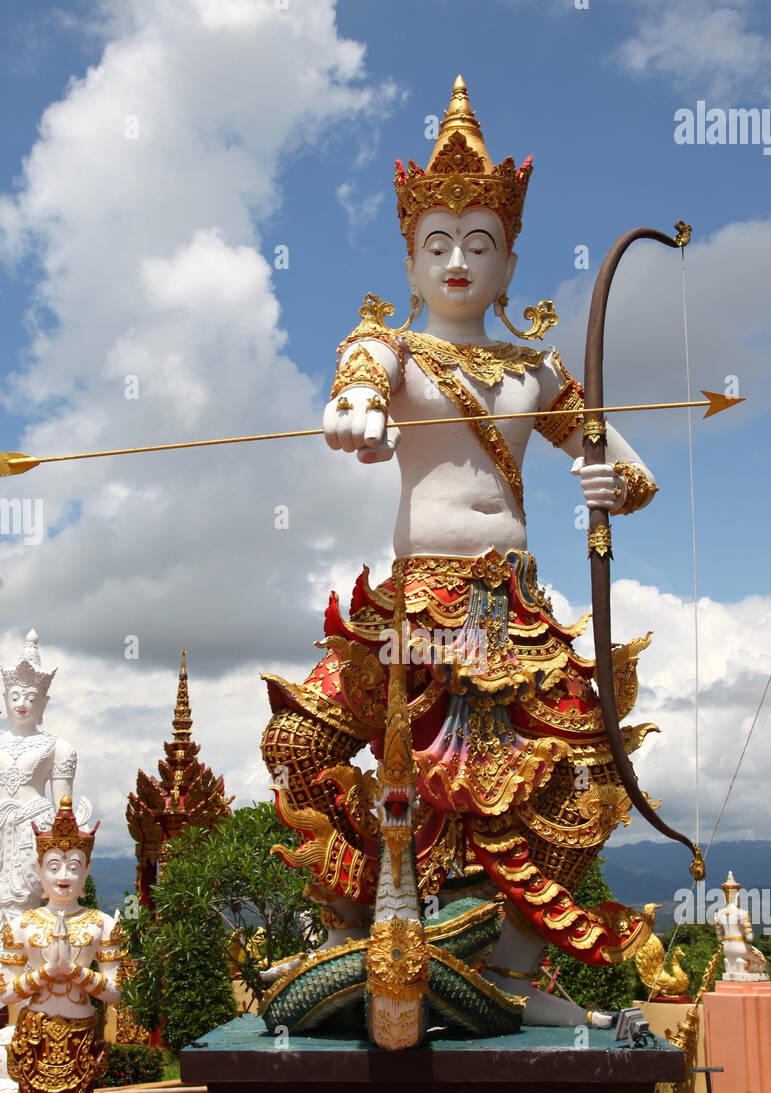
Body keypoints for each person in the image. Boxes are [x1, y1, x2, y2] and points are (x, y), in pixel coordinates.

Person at [262, 78, 658, 1024]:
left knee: (572, 782)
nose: (457, 260)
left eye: (479, 243)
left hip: (507, 615)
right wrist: (354, 413)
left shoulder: (534, 370)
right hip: (411, 613)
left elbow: (626, 466)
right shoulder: (392, 350)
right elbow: (356, 387)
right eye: (437, 242)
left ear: (510, 260)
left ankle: (511, 974)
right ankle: (367, 927)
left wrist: (615, 485)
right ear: (408, 258)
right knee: (299, 743)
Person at [0, 797, 122, 1093]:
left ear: (89, 866)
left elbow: (115, 990)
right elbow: (3, 991)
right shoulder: (19, 926)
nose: (64, 874)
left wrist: (73, 972)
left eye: (74, 864)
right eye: (54, 865)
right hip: (33, 1046)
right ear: (39, 868)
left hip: (77, 1047)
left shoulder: (102, 923)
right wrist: (38, 978)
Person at [1, 630, 90, 925]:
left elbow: (63, 810)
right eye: (14, 696)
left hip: (32, 831)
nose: (21, 702)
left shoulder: (58, 748)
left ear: (43, 702)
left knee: (23, 903)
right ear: (5, 699)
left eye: (30, 696)